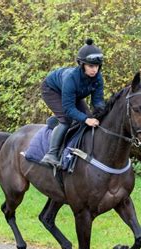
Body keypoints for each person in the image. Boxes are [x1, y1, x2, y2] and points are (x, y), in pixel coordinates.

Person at [40, 38, 105, 167]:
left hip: (73, 94)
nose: (94, 70)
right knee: (66, 119)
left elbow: (97, 102)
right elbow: (69, 108)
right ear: (82, 65)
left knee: (89, 118)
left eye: (97, 66)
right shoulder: (71, 78)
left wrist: (102, 114)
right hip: (51, 89)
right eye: (91, 66)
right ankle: (51, 154)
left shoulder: (98, 79)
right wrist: (85, 119)